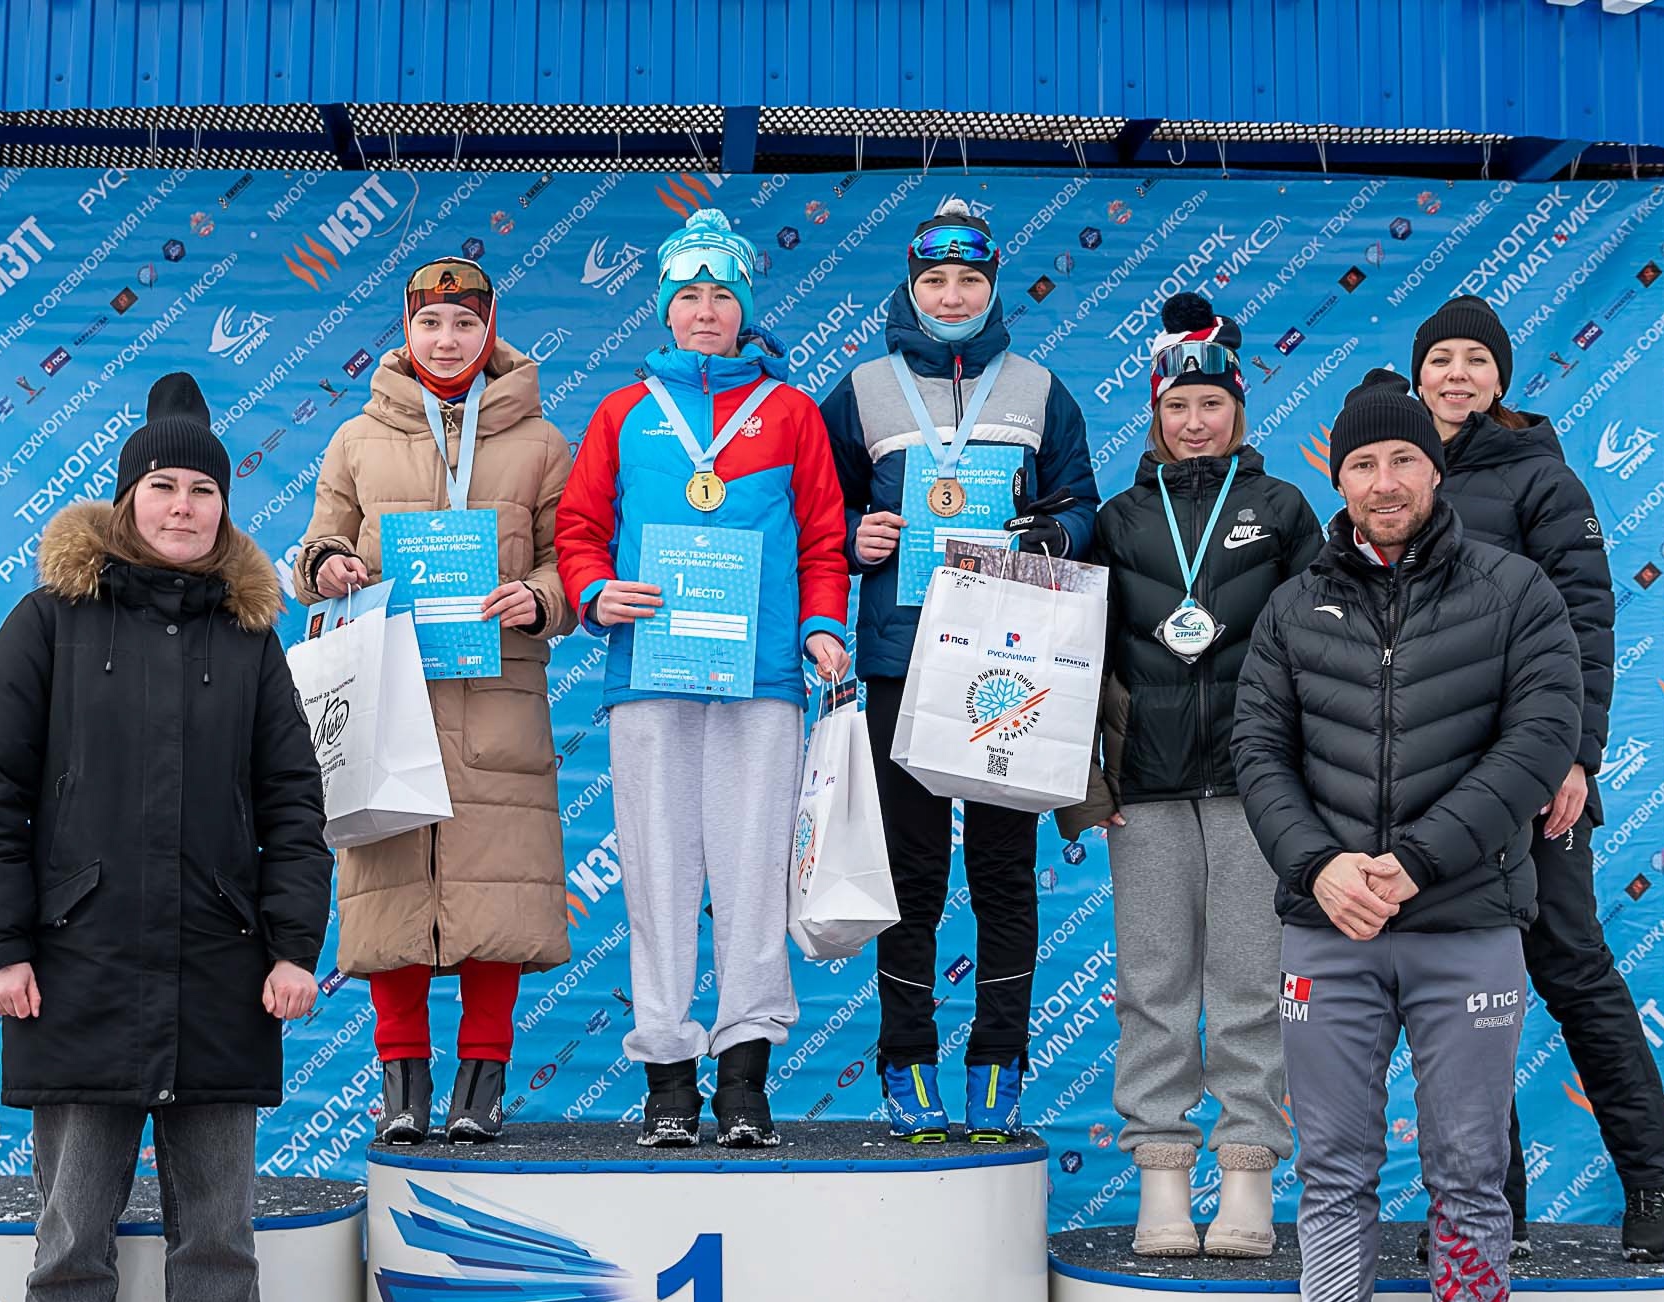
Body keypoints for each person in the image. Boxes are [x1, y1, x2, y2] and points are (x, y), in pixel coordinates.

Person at [0, 372, 332, 1302]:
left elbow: (294, 808)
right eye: (163, 486)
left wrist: (293, 947)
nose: (182, 506)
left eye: (202, 490)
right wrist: (4, 946)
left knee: (217, 1235)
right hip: (79, 975)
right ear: (127, 500)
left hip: (220, 976)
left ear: (224, 508)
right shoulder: (48, 623)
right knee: (72, 1229)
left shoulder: (251, 640)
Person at [1230, 371, 1581, 1302]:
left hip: (1464, 925)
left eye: (1402, 460)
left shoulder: (1517, 591)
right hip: (1327, 928)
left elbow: (1539, 740)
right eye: (1362, 465)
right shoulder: (1294, 605)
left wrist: (1417, 861)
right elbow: (1258, 751)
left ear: (1435, 468)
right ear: (1339, 479)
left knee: (1468, 1176)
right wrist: (1320, 867)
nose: (1384, 482)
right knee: (1333, 1172)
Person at [554, 208, 851, 1148]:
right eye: (689, 295)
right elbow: (579, 530)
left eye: (723, 294)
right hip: (652, 673)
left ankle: (744, 1082)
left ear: (744, 309)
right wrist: (594, 591)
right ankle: (669, 1084)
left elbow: (825, 538)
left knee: (754, 874)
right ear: (665, 311)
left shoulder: (792, 412)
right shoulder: (625, 411)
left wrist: (821, 625)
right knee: (657, 874)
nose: (707, 310)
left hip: (762, 679)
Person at [817, 198, 1098, 1142]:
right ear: (910, 287)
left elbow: (1079, 500)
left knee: (1005, 870)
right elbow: (821, 512)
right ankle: (906, 1058)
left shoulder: (1039, 389)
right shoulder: (864, 390)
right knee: (912, 871)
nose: (951, 296)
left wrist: (1056, 534)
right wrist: (854, 536)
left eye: (968, 280)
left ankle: (1000, 1057)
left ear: (992, 287)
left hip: (1007, 656)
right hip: (903, 658)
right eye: (934, 280)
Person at [1412, 293, 1664, 1261]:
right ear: (1418, 372)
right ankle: (1493, 1205)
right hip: (1433, 786)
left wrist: (1575, 757)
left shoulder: (1542, 476)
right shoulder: (1393, 474)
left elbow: (1585, 628)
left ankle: (1654, 1183)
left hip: (1535, 778)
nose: (1457, 374)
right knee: (1461, 992)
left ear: (1501, 377)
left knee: (1571, 968)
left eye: (1475, 359)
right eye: (1441, 357)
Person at [295, 257, 574, 1144]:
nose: (446, 339)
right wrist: (328, 567)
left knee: (499, 885)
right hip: (391, 686)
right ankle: (402, 1084)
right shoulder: (357, 438)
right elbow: (315, 545)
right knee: (390, 881)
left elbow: (570, 561)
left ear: (490, 330)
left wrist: (542, 598)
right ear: (406, 331)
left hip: (498, 692)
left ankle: (481, 1082)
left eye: (464, 323)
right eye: (429, 323)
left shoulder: (542, 441)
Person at [1064, 292, 1319, 1255]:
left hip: (1260, 791)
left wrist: (1311, 786)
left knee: (1253, 984)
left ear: (1239, 409)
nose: (1196, 421)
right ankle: (1163, 1183)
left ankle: (1248, 1176)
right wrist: (1091, 788)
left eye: (1212, 403)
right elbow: (1076, 656)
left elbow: (1323, 653)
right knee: (1154, 987)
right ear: (1156, 414)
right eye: (1178, 406)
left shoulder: (1282, 510)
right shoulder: (1119, 518)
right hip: (1149, 789)